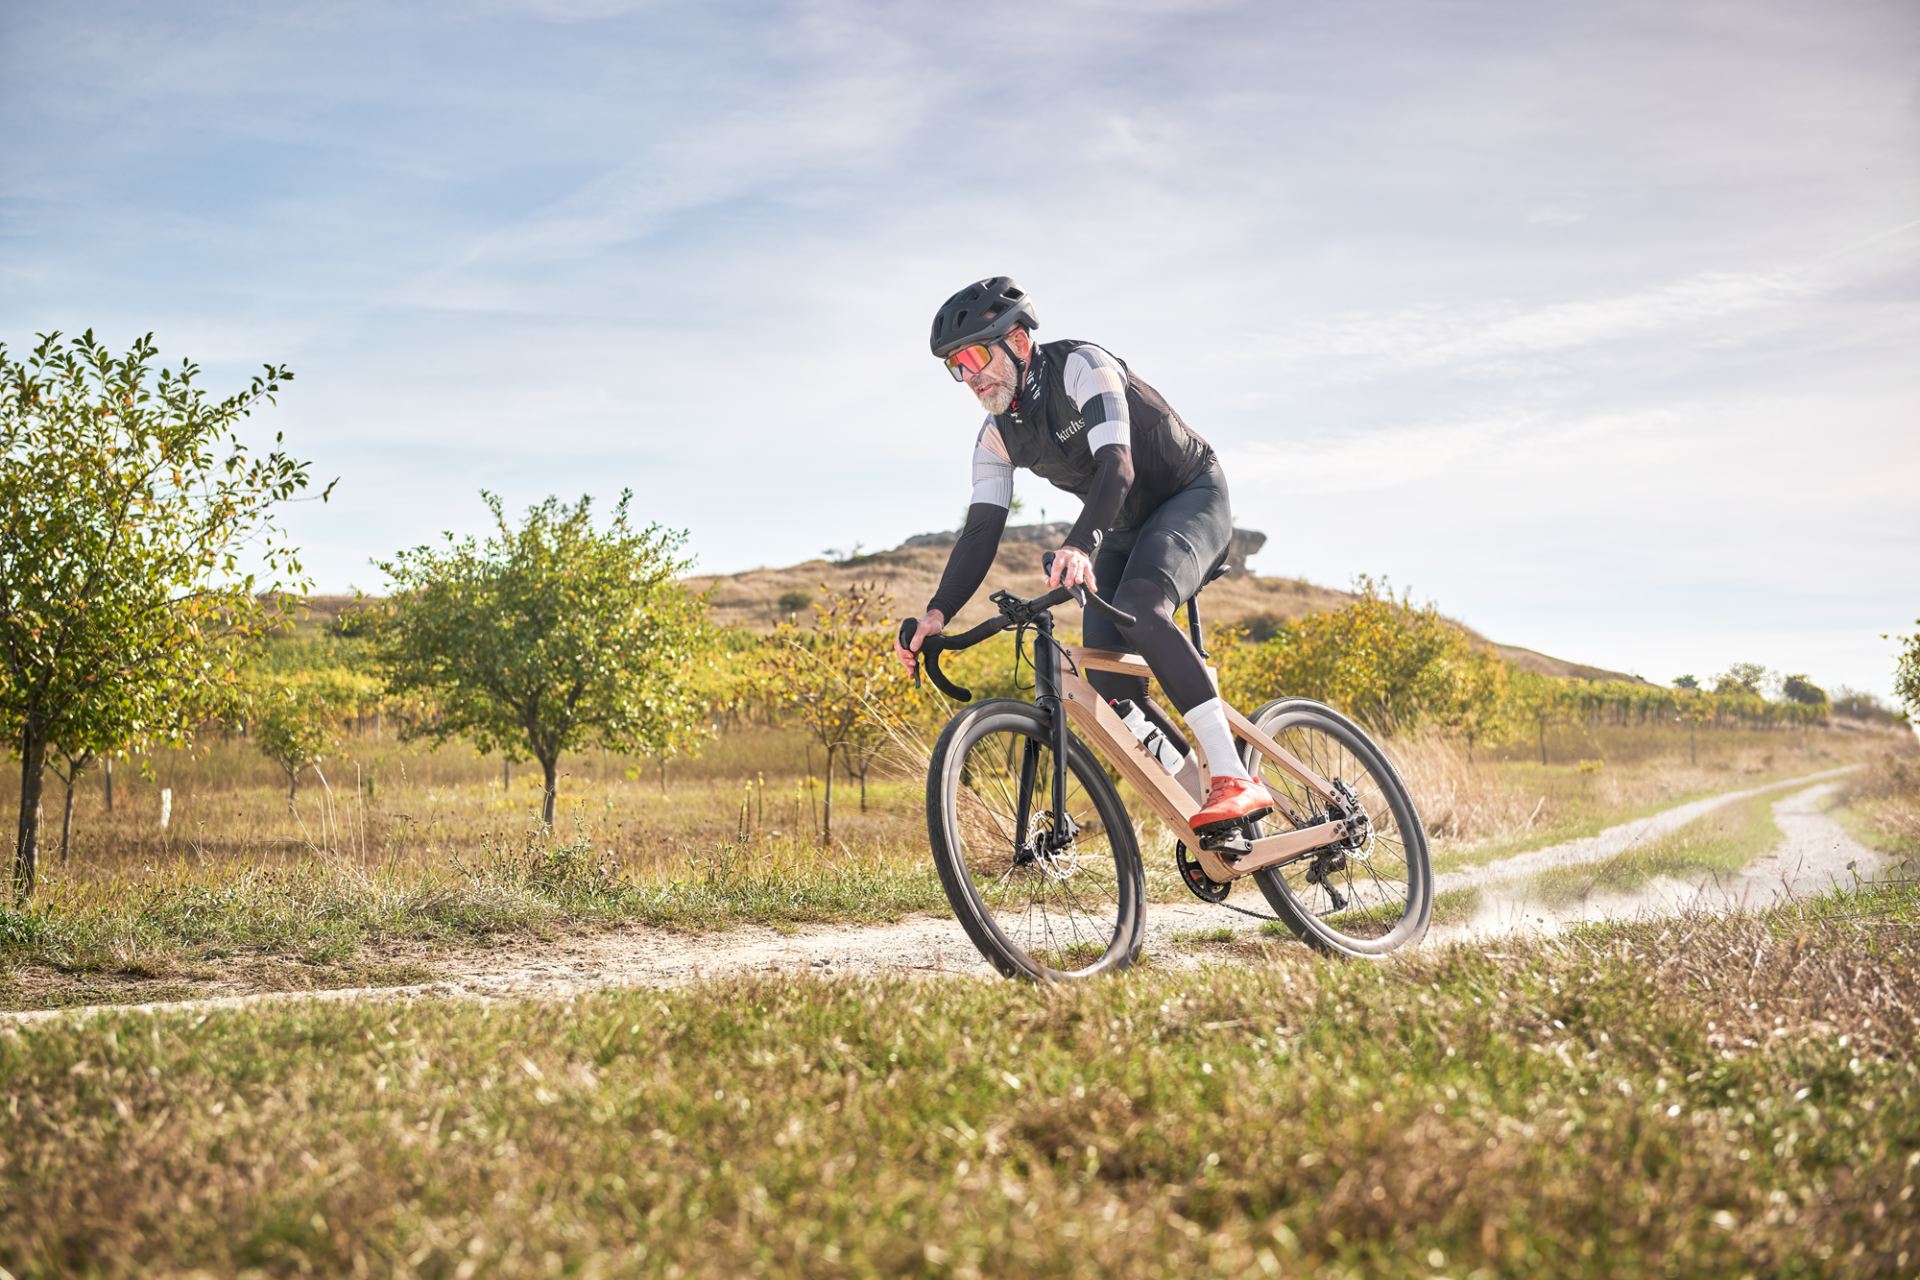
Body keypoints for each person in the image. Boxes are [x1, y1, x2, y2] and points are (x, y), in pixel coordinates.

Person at [894, 276, 1274, 833]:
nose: (969, 377)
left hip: (1188, 495)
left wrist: (1078, 544)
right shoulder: (995, 438)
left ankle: (1234, 776)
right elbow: (980, 534)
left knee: (1143, 609)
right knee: (1111, 683)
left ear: (1019, 343)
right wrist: (936, 614)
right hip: (1121, 527)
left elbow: (1117, 465)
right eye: (956, 366)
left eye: (975, 356)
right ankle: (1210, 810)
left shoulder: (1082, 366)